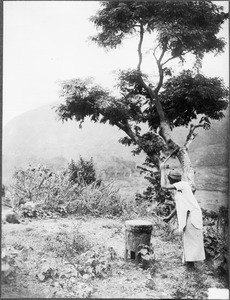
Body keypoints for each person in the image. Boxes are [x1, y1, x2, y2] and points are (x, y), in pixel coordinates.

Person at [160, 163, 205, 269]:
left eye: (169, 178)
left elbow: (163, 186)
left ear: (172, 180)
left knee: (191, 239)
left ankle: (191, 266)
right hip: (189, 215)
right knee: (188, 238)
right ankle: (189, 263)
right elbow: (179, 206)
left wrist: (162, 170)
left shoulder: (182, 185)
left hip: (192, 215)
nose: (169, 181)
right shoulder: (180, 189)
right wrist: (169, 217)